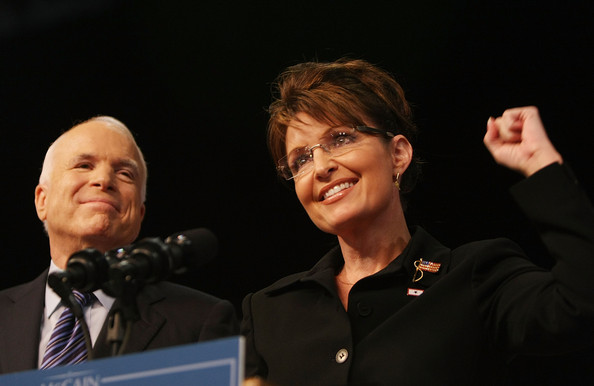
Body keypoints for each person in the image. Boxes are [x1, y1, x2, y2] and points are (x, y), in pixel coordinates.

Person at [240, 59, 594, 385]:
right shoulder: (268, 312)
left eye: (341, 138)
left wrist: (542, 166)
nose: (320, 167)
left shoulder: (474, 277)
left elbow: (580, 306)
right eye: (300, 159)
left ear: (398, 154)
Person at [0, 116, 238, 375]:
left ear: (139, 214)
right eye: (84, 165)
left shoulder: (200, 321)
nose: (104, 180)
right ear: (41, 201)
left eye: (125, 173)